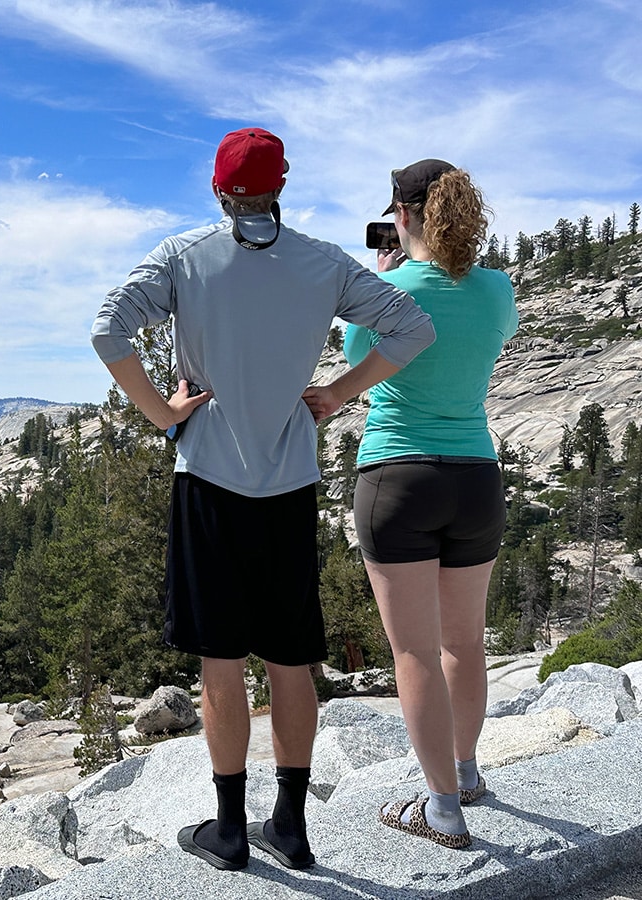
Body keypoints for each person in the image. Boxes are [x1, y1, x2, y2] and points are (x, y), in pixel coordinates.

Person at [90, 127, 436, 872]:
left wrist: (161, 413)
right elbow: (413, 325)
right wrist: (338, 394)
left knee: (221, 662)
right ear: (280, 188)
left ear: (219, 189)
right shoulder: (323, 263)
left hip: (208, 481)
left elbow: (108, 327)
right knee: (289, 660)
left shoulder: (184, 256)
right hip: (288, 486)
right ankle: (291, 826)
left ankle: (228, 830)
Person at [307, 159, 517, 848]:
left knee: (415, 653)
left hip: (398, 478)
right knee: (464, 643)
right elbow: (482, 338)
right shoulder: (496, 290)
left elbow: (362, 356)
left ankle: (442, 811)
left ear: (401, 215)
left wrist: (388, 276)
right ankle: (467, 774)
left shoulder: (386, 291)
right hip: (475, 477)